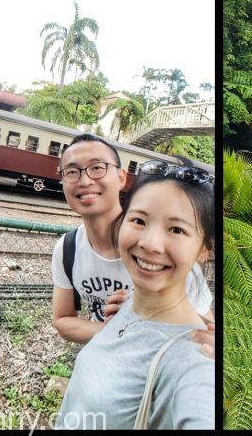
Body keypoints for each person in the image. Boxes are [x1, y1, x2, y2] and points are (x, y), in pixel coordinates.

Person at [56, 160, 214, 429]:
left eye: (177, 229)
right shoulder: (127, 306)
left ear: (203, 250)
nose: (150, 244)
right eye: (139, 220)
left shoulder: (196, 360)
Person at [50, 134, 214, 358]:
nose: (85, 180)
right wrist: (116, 332)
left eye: (97, 168)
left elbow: (205, 329)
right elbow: (62, 319)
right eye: (71, 171)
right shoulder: (67, 248)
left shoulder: (167, 257)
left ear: (121, 178)